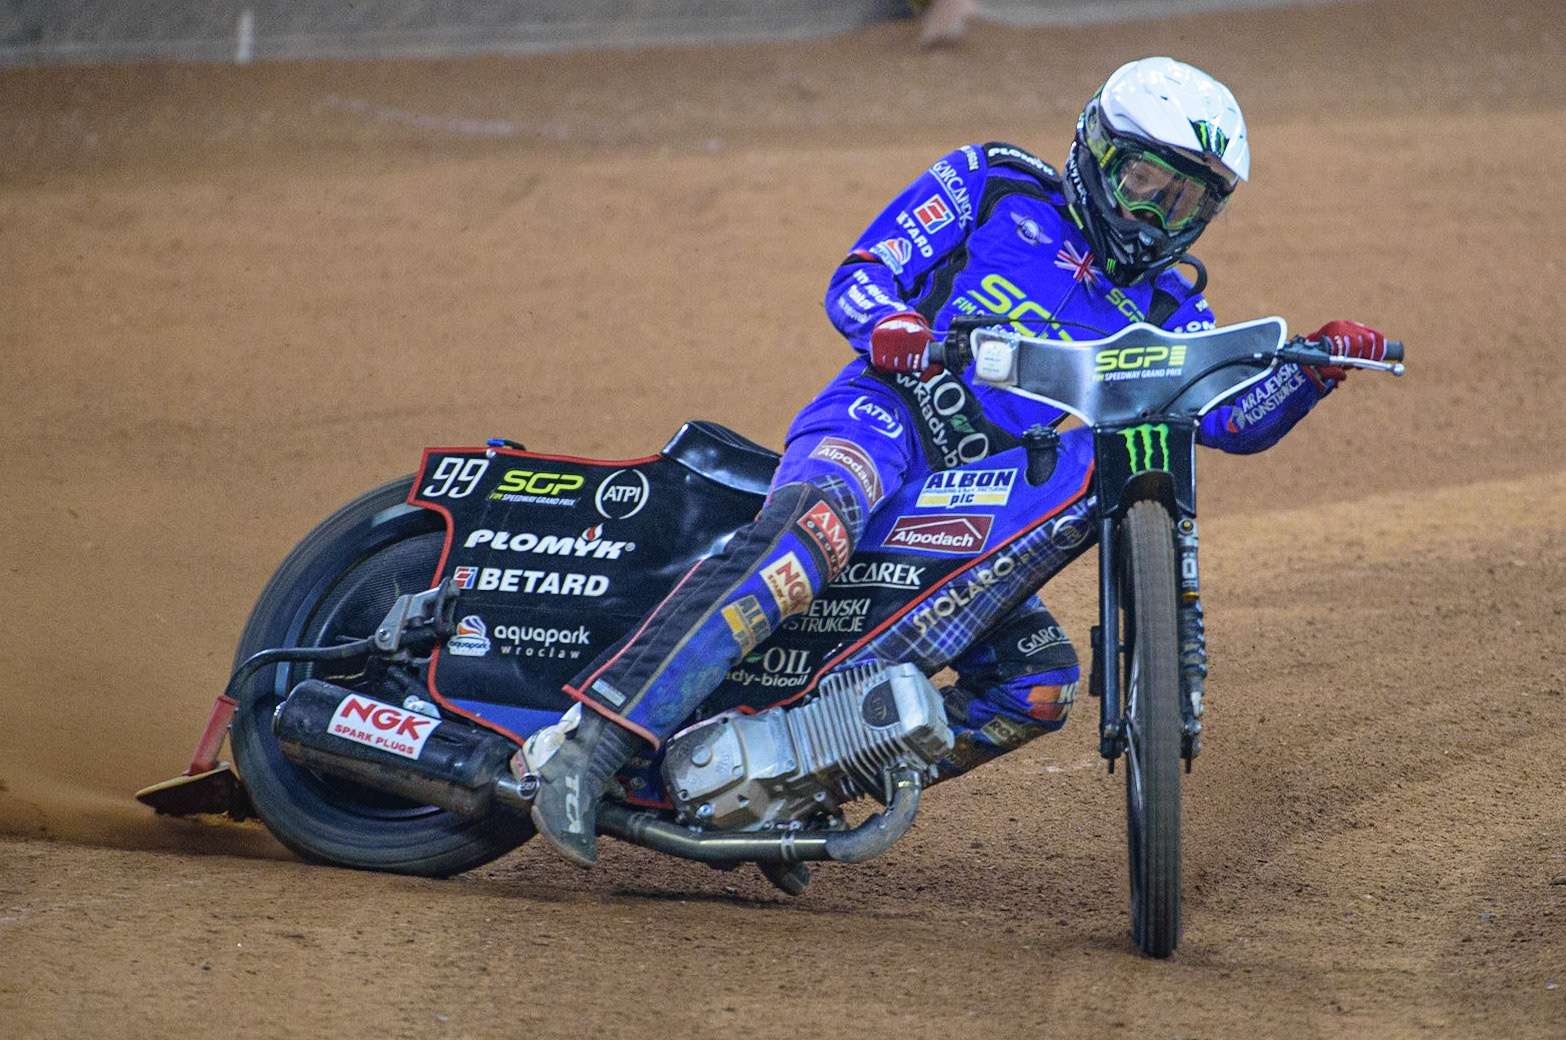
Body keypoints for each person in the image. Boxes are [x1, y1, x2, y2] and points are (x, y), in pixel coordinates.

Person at [524, 56, 1391, 868]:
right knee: (814, 533)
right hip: (885, 419)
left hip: (977, 501)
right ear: (1095, 149)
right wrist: (893, 333)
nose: (1155, 217)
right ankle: (592, 745)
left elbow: (1228, 418)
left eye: (1185, 205)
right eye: (1143, 185)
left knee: (1038, 687)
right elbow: (861, 276)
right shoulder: (994, 181)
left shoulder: (1169, 304)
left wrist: (1313, 371)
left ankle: (800, 794)